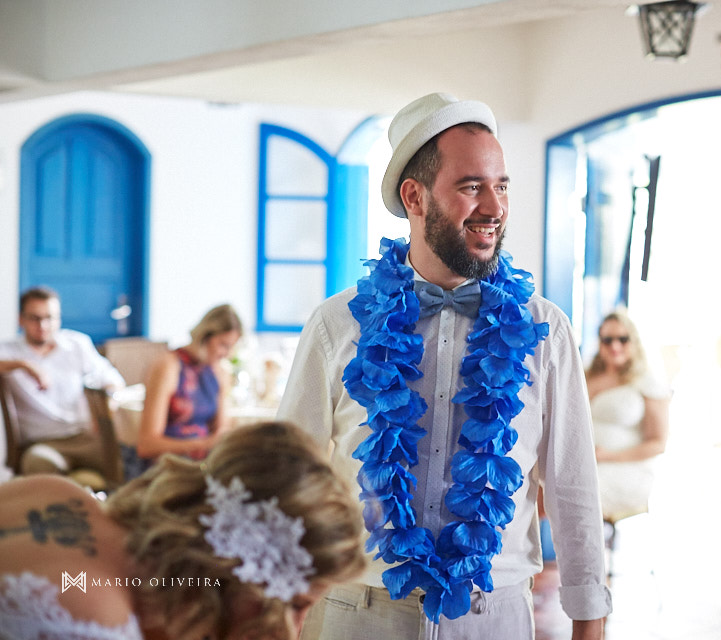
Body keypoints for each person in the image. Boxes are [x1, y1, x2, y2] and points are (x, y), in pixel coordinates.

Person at [279, 92, 611, 640]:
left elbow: (573, 483)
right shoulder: (336, 325)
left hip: (493, 616)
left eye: (501, 185)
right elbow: (289, 481)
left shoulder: (544, 330)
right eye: (471, 186)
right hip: (357, 612)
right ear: (415, 196)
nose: (495, 207)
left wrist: (590, 622)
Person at [0, 420, 366, 640]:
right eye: (297, 605)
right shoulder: (96, 621)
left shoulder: (56, 493)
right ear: (237, 564)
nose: (293, 630)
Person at [0, 286, 125, 478]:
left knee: (130, 458)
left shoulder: (76, 344)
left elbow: (112, 379)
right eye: (35, 318)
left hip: (85, 437)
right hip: (42, 444)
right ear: (21, 319)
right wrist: (25, 365)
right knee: (39, 463)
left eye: (49, 318)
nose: (43, 325)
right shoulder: (9, 351)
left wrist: (109, 402)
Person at [584, 310, 670, 521]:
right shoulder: (586, 375)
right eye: (608, 340)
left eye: (623, 339)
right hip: (587, 463)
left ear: (634, 341)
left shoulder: (647, 382)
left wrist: (607, 456)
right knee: (541, 482)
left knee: (576, 491)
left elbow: (658, 443)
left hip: (626, 469)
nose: (615, 346)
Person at [134, 304, 242, 471]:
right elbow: (147, 445)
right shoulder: (168, 366)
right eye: (223, 345)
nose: (227, 354)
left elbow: (221, 429)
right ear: (205, 336)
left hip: (201, 465)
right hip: (167, 467)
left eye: (231, 347)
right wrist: (205, 443)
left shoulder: (218, 372)